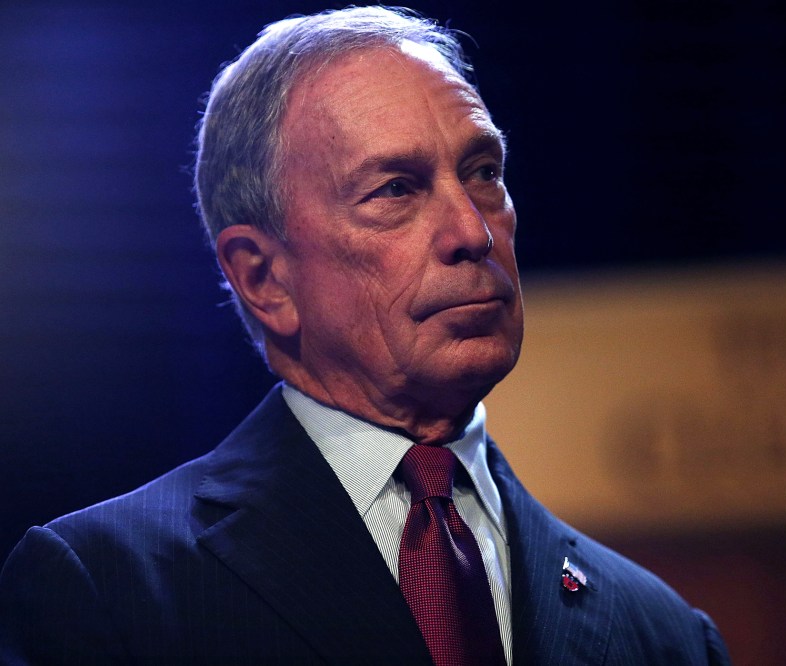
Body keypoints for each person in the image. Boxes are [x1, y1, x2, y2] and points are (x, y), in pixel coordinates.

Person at [0, 7, 731, 664]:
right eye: (395, 190)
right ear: (264, 278)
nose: (472, 233)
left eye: (482, 173)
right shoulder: (107, 589)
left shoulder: (664, 636)